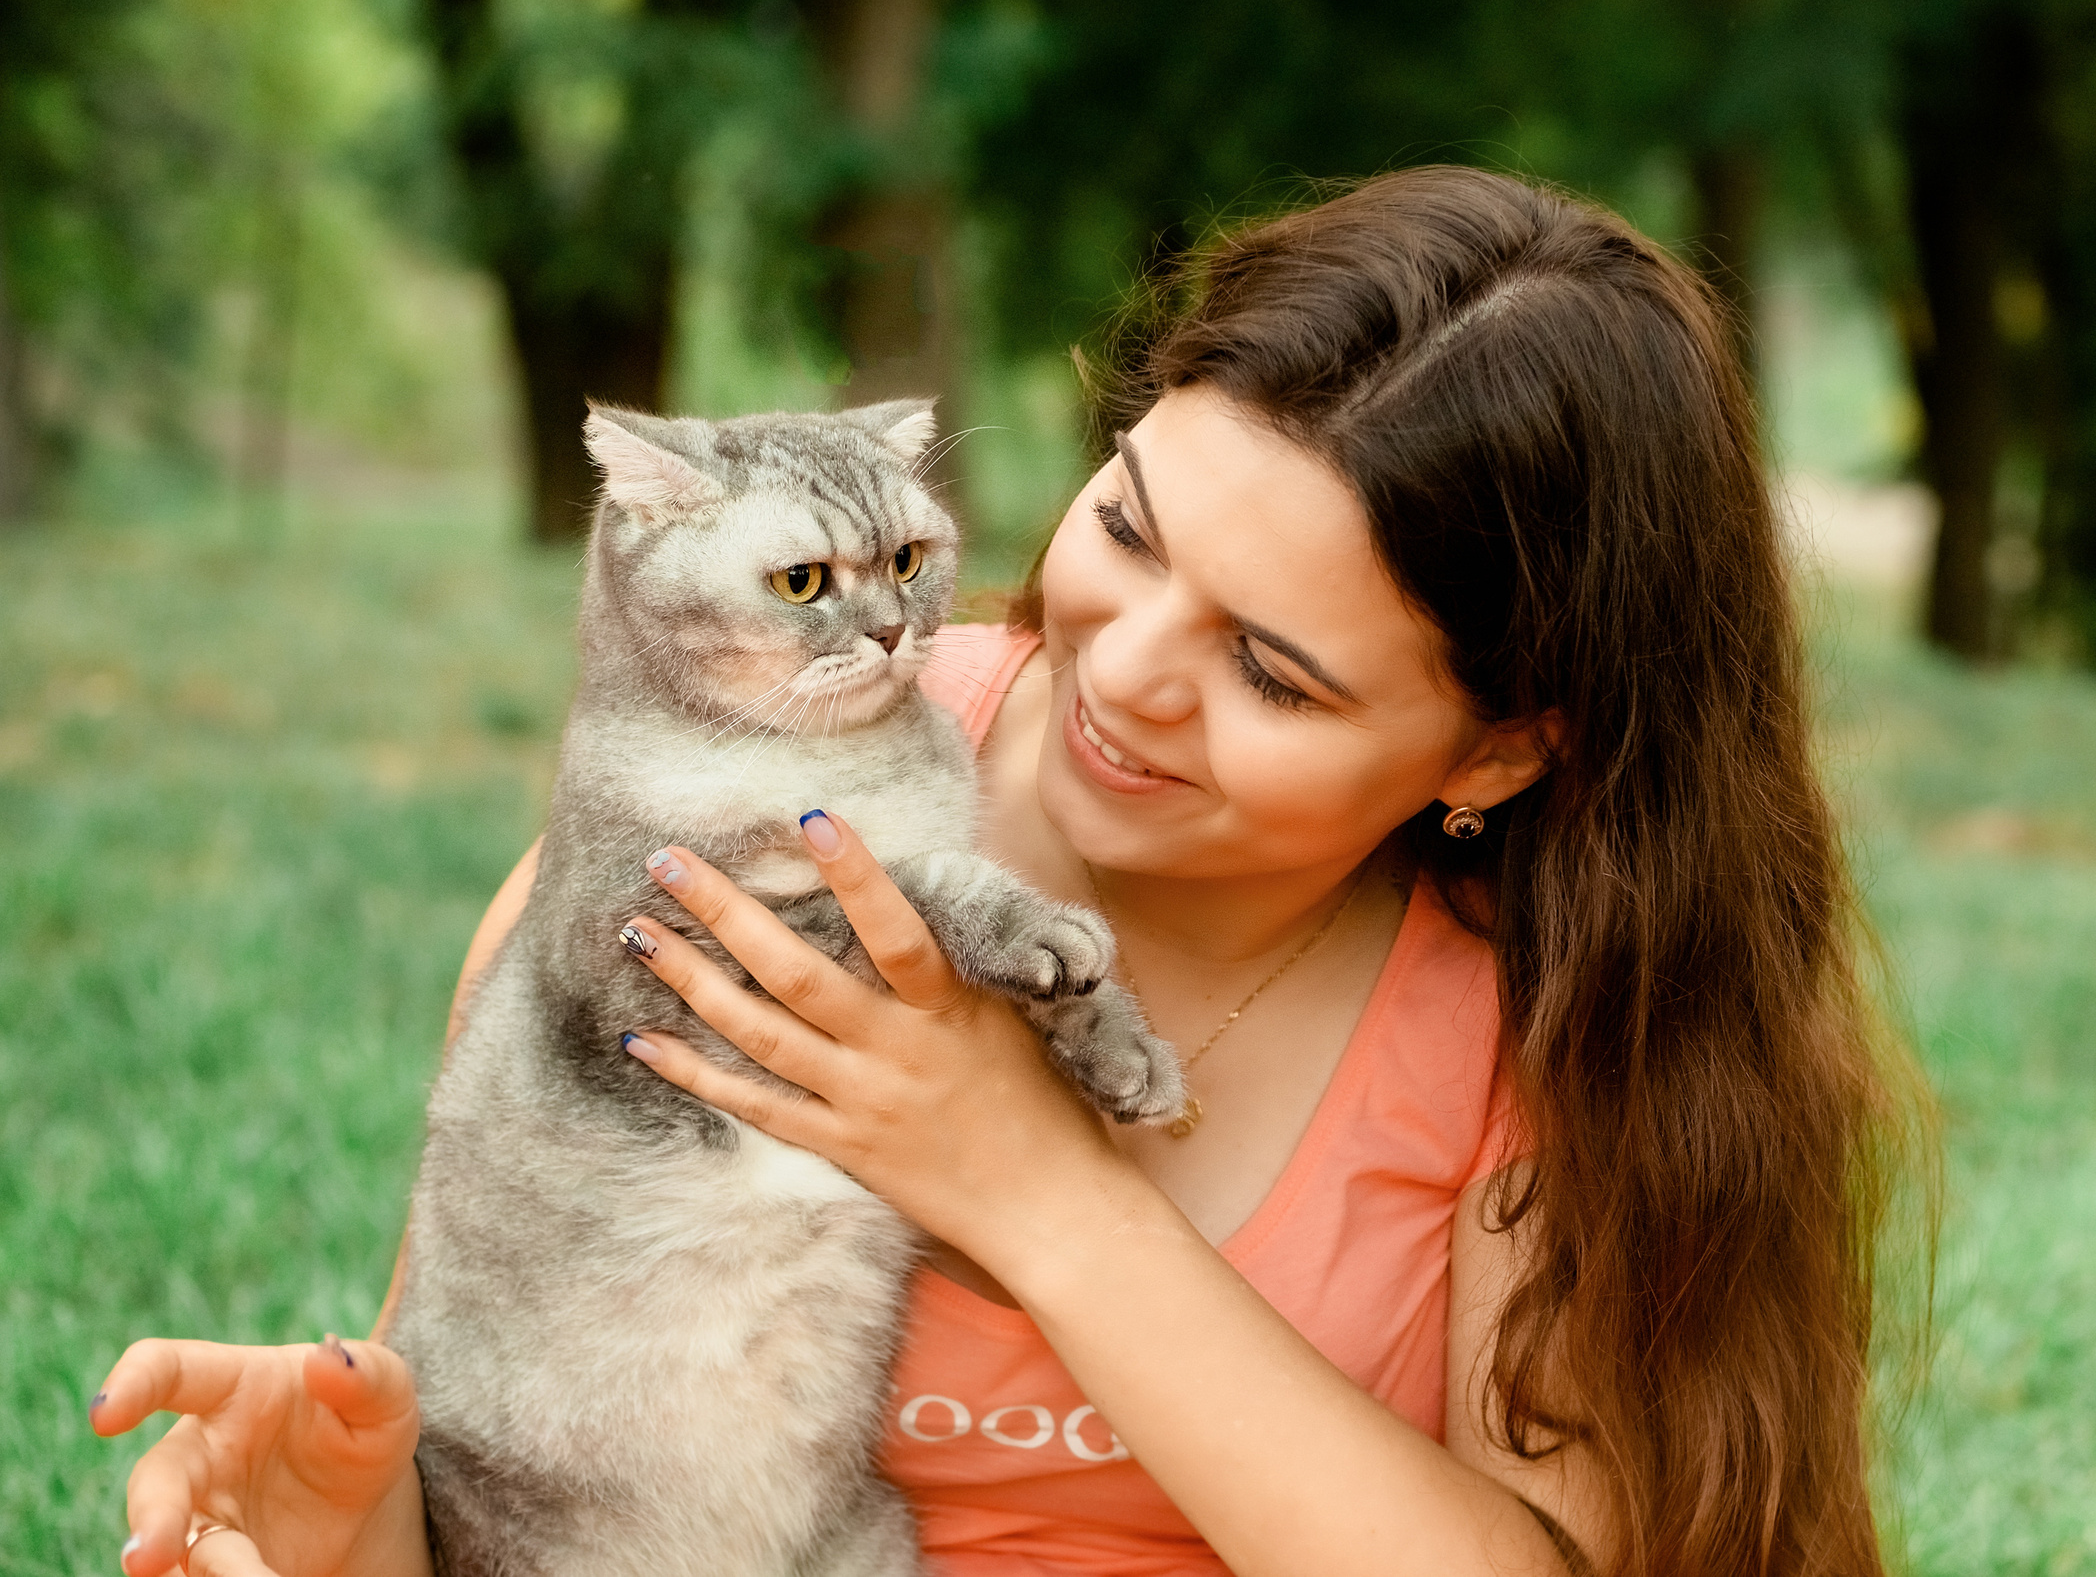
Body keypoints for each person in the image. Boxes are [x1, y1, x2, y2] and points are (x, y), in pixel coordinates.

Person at [90, 166, 1923, 1577]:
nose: (1119, 669)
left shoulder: (1547, 1029)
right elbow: (522, 1493)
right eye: (1127, 524)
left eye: (1273, 670)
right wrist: (348, 1517)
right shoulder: (733, 797)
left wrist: (1037, 1189)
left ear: (1503, 747)